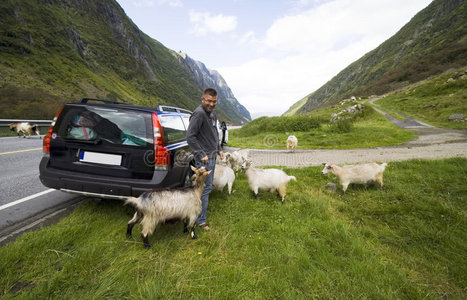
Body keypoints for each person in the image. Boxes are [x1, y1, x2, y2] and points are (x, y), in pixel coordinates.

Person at [186, 88, 224, 231]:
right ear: (203, 99)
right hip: (204, 159)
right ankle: (199, 220)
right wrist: (201, 153)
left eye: (214, 101)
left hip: (212, 155)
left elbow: (214, 133)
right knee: (204, 188)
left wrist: (219, 149)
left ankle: (195, 215)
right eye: (208, 101)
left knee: (206, 187)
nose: (211, 104)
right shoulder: (199, 114)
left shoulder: (212, 114)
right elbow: (190, 137)